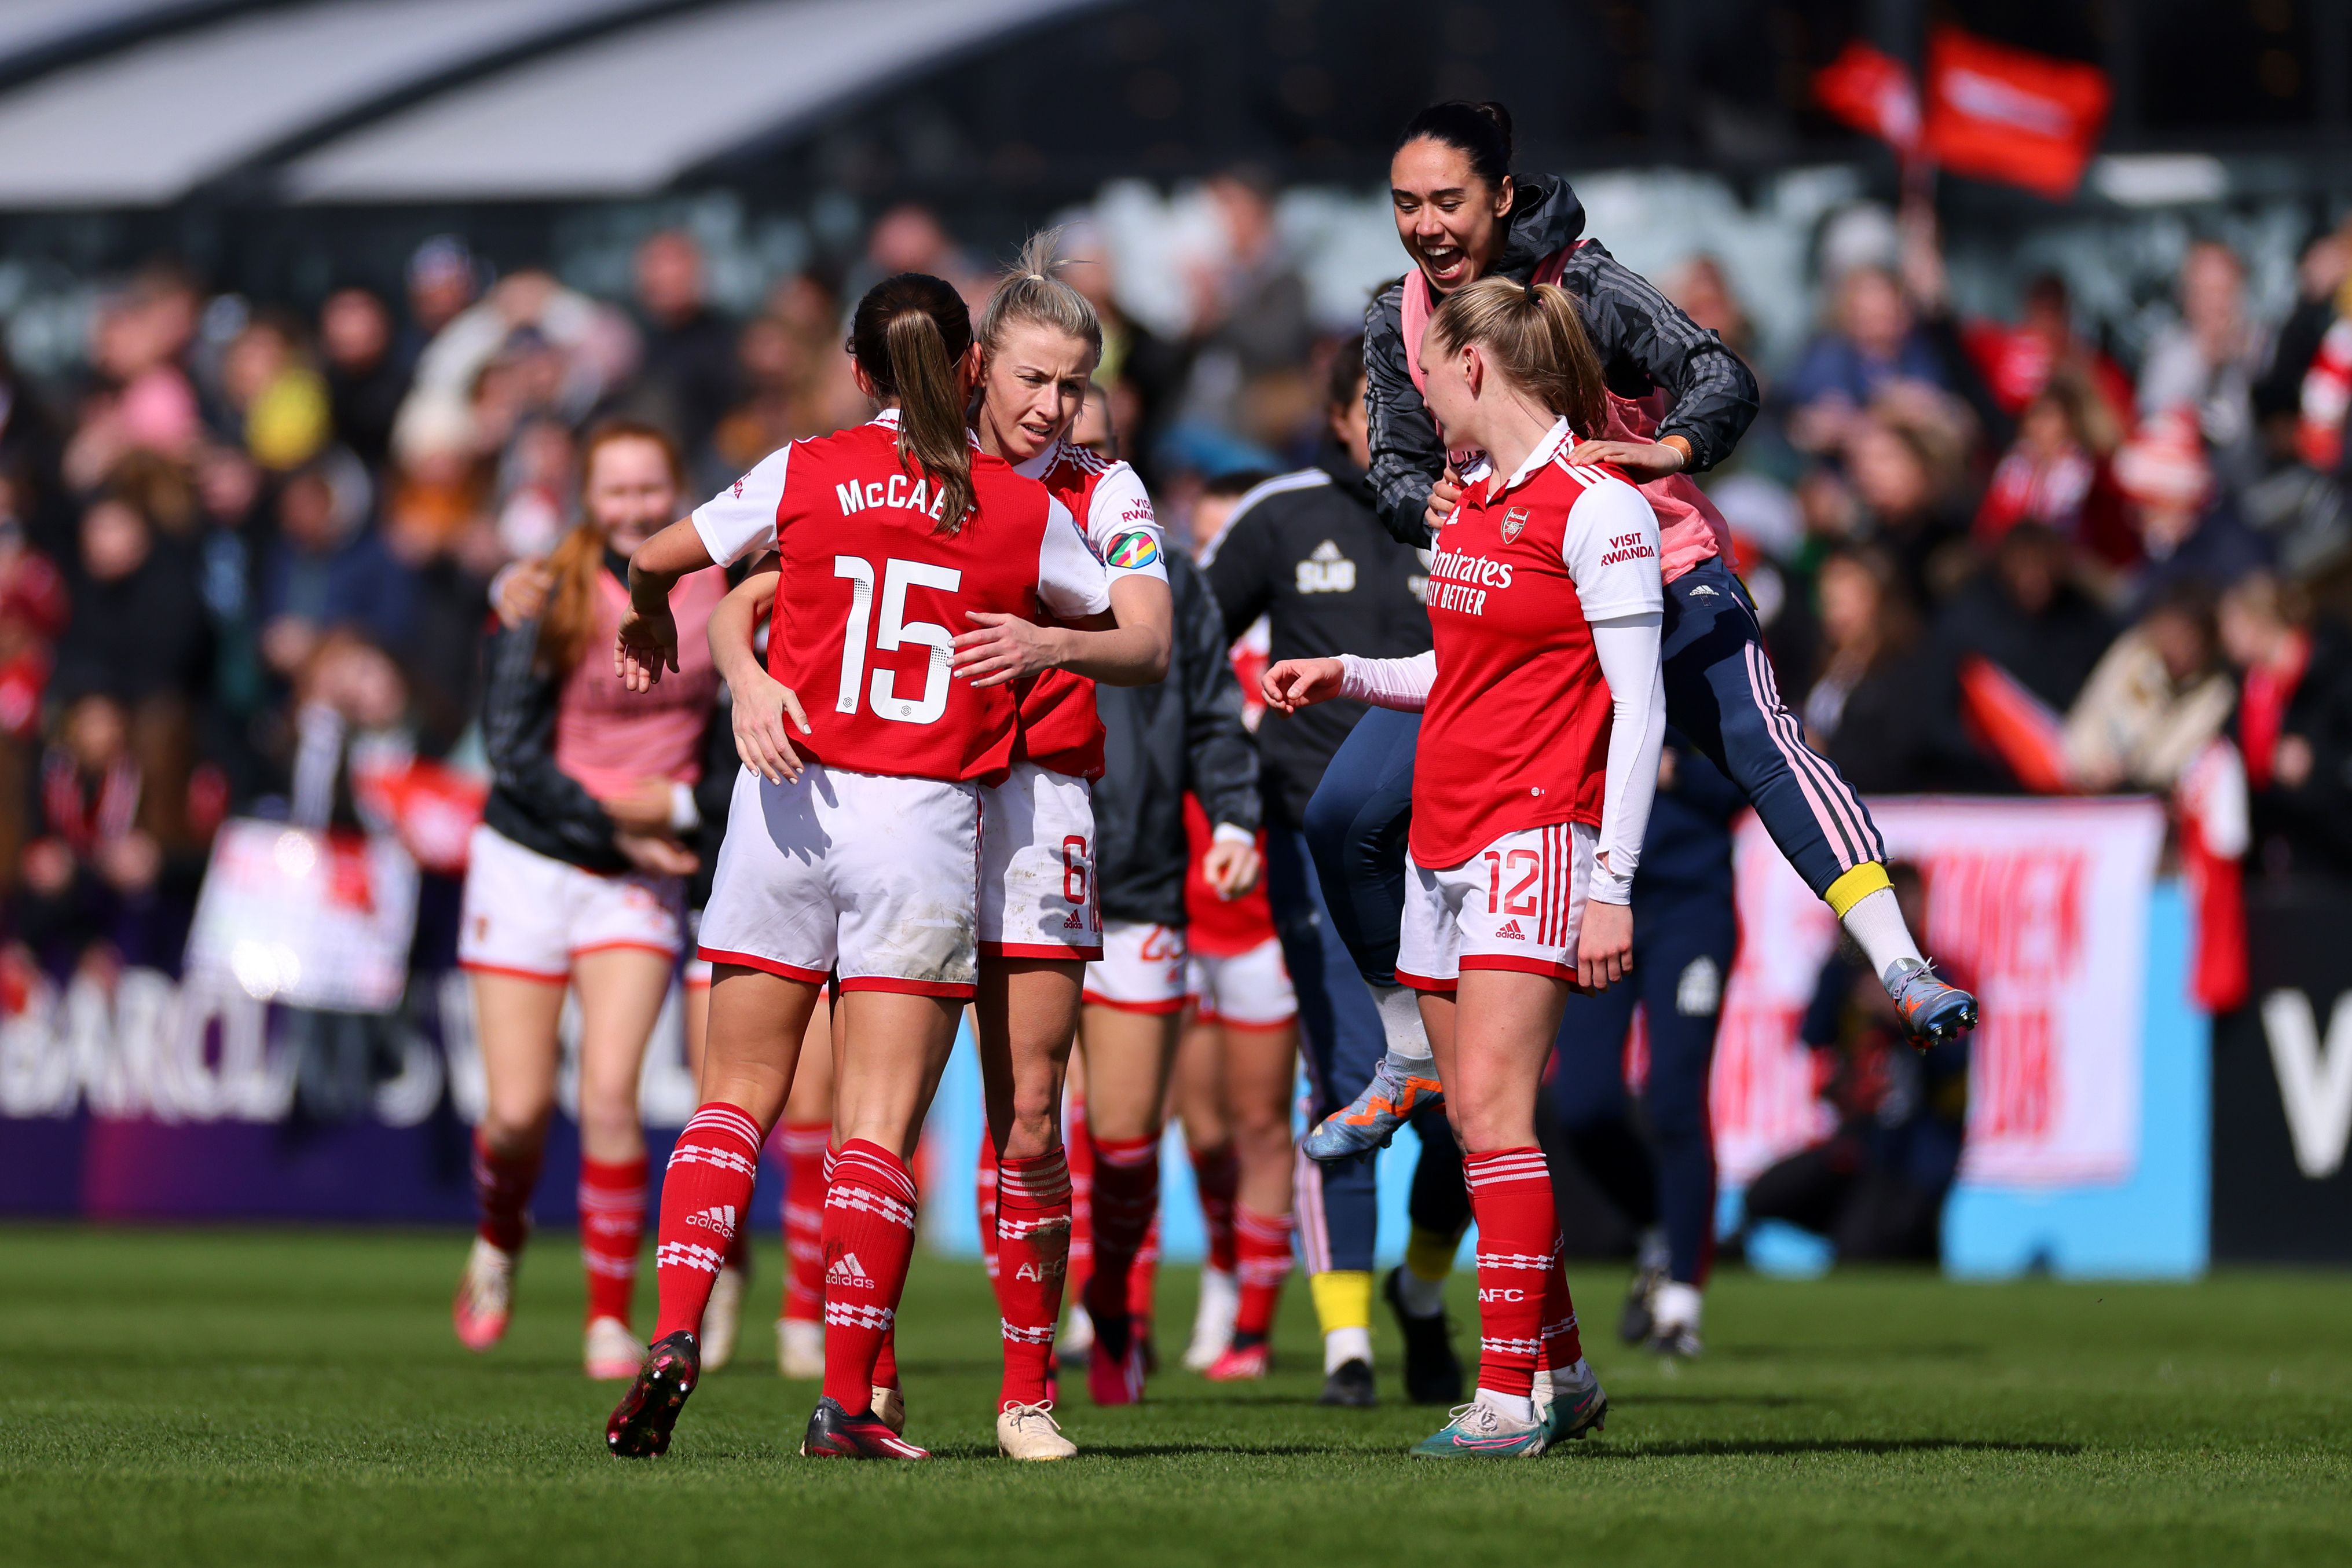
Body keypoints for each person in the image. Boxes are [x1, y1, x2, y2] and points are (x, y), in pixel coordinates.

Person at [1313, 97, 1972, 1259]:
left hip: (1656, 569)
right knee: (1347, 814)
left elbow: (1722, 375)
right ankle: (1405, 1054)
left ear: (1503, 196)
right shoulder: (1395, 317)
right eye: (1406, 203)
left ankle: (1901, 965)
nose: (1424, 225)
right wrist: (1475, 518)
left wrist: (1663, 453)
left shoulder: (1593, 284)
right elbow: (1392, 471)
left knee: (1763, 741)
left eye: (1447, 201)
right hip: (1515, 606)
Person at [601, 272, 1149, 1464]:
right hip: (921, 815)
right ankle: (853, 1397)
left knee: (732, 1098)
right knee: (879, 1128)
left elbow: (674, 563)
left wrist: (671, 629)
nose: (1055, 406)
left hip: (789, 802)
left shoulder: (806, 469)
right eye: (1031, 378)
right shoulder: (1010, 505)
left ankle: (676, 1329)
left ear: (858, 370)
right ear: (971, 368)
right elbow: (1142, 630)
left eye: (1073, 385)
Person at [1262, 272, 1660, 1456]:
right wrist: (1354, 676)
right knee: (1479, 1122)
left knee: (1491, 1114)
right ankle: (1570, 1374)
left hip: (1534, 838)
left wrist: (1612, 885)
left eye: (1425, 372)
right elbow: (1460, 676)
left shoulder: (1602, 511)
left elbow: (1638, 713)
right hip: (1440, 839)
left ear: (1475, 368)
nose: (1413, 395)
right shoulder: (1470, 505)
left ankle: (1504, 1400)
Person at [1199, 337, 1456, 1406]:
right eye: (1380, 408)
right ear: (1341, 418)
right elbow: (1186, 653)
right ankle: (1346, 1343)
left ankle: (1426, 1291)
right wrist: (1231, 795)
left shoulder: (1477, 515)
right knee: (1352, 1078)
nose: (1403, 427)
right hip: (1324, 851)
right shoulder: (1282, 515)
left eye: (1420, 407)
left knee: (1471, 1105)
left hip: (1458, 846)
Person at [450, 422, 727, 1382]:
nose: (635, 510)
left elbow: (736, 741)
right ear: (586, 497)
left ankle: (609, 1318)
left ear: (679, 489)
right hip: (531, 860)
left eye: (652, 490)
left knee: (610, 1094)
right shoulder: (544, 591)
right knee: (518, 1111)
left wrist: (676, 819)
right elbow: (512, 753)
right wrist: (619, 822)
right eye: (615, 493)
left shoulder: (725, 585)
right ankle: (498, 1239)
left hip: (639, 876)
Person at [1070, 509, 1262, 1399]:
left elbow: (1215, 717)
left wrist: (1231, 816)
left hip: (1139, 882)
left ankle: (1116, 1314)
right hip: (1013, 874)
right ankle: (1026, 1365)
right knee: (1027, 1130)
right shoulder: (977, 536)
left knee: (1124, 1139)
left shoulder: (1171, 578)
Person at [1550, 741, 1742, 1358]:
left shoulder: (1710, 658)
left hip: (1690, 906)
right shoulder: (1587, 653)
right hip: (1598, 898)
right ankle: (1660, 1228)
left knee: (1676, 1099)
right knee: (1581, 1100)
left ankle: (1681, 1301)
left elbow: (1755, 774)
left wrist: (1679, 764)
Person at [1739, 864, 1970, 1263]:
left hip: (1913, 1155)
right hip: (1857, 1144)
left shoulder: (1942, 977)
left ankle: (1890, 1238)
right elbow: (1813, 1035)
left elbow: (1955, 1064)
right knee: (1763, 1196)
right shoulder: (1848, 971)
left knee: (1865, 1249)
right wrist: (1844, 962)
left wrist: (1904, 1012)